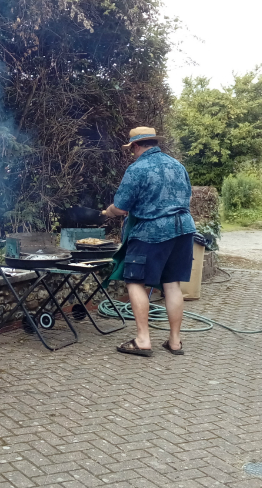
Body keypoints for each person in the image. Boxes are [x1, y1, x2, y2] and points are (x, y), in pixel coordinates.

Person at [101, 126, 197, 357]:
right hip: (184, 229)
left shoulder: (137, 168)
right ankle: (175, 342)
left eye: (131, 149)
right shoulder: (177, 165)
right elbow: (187, 197)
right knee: (172, 283)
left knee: (135, 282)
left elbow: (122, 207)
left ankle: (143, 339)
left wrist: (108, 212)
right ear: (154, 142)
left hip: (151, 231)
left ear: (135, 146)